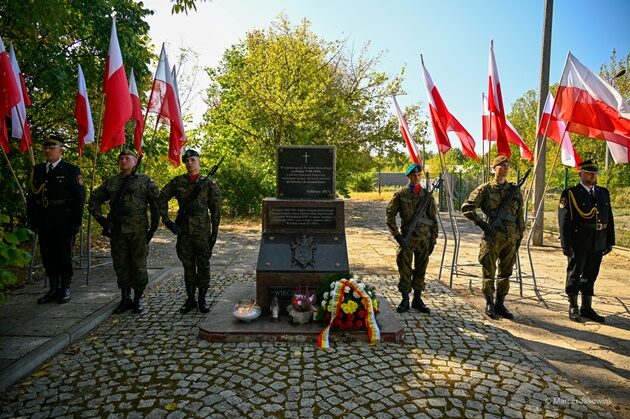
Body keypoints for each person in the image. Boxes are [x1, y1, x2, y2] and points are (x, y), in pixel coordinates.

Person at [88, 149, 160, 314]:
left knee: (139, 265)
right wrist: (102, 220)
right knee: (120, 265)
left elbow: (156, 204)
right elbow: (93, 199)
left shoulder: (145, 181)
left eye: (128, 158)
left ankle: (138, 299)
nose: (124, 161)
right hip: (117, 231)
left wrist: (153, 227)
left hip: (138, 231)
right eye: (121, 158)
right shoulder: (112, 182)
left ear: (135, 161)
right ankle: (124, 298)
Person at [461, 155, 525, 320]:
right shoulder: (486, 189)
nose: (505, 167)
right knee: (489, 271)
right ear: (494, 168)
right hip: (492, 236)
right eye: (502, 165)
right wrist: (482, 224)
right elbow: (467, 207)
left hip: (511, 237)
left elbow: (519, 216)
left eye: (507, 165)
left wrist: (519, 236)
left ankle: (500, 303)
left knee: (506, 272)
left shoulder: (514, 190)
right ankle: (489, 302)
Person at [158, 149, 221, 314]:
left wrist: (215, 232)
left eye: (193, 160)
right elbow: (160, 198)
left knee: (203, 266)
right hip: (184, 232)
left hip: (202, 232)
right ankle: (190, 299)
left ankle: (202, 299)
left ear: (199, 162)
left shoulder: (209, 184)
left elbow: (215, 210)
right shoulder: (177, 182)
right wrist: (166, 220)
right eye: (186, 160)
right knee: (188, 266)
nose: (189, 163)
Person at [27, 135, 86, 304]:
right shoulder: (37, 169)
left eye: (52, 148)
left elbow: (79, 198)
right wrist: (31, 219)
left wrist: (76, 222)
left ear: (61, 150)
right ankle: (53, 288)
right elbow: (32, 197)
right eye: (45, 148)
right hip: (44, 219)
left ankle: (65, 287)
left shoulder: (71, 170)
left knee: (63, 255)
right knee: (47, 255)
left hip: (64, 219)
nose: (47, 151)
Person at [558, 159, 614, 323]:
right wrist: (566, 244)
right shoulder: (570, 193)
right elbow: (564, 220)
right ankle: (573, 306)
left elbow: (608, 217)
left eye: (595, 173)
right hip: (579, 241)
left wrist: (610, 240)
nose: (592, 176)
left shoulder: (603, 192)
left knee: (591, 274)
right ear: (580, 173)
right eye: (589, 173)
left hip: (598, 240)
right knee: (575, 273)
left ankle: (586, 308)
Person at [386, 163, 438, 314]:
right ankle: (404, 299)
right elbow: (389, 217)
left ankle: (418, 298)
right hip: (407, 239)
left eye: (419, 175)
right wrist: (397, 236)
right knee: (405, 269)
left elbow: (433, 219)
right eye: (414, 175)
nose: (417, 177)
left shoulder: (427, 196)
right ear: (408, 176)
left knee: (421, 269)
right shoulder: (400, 195)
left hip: (424, 239)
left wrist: (433, 240)